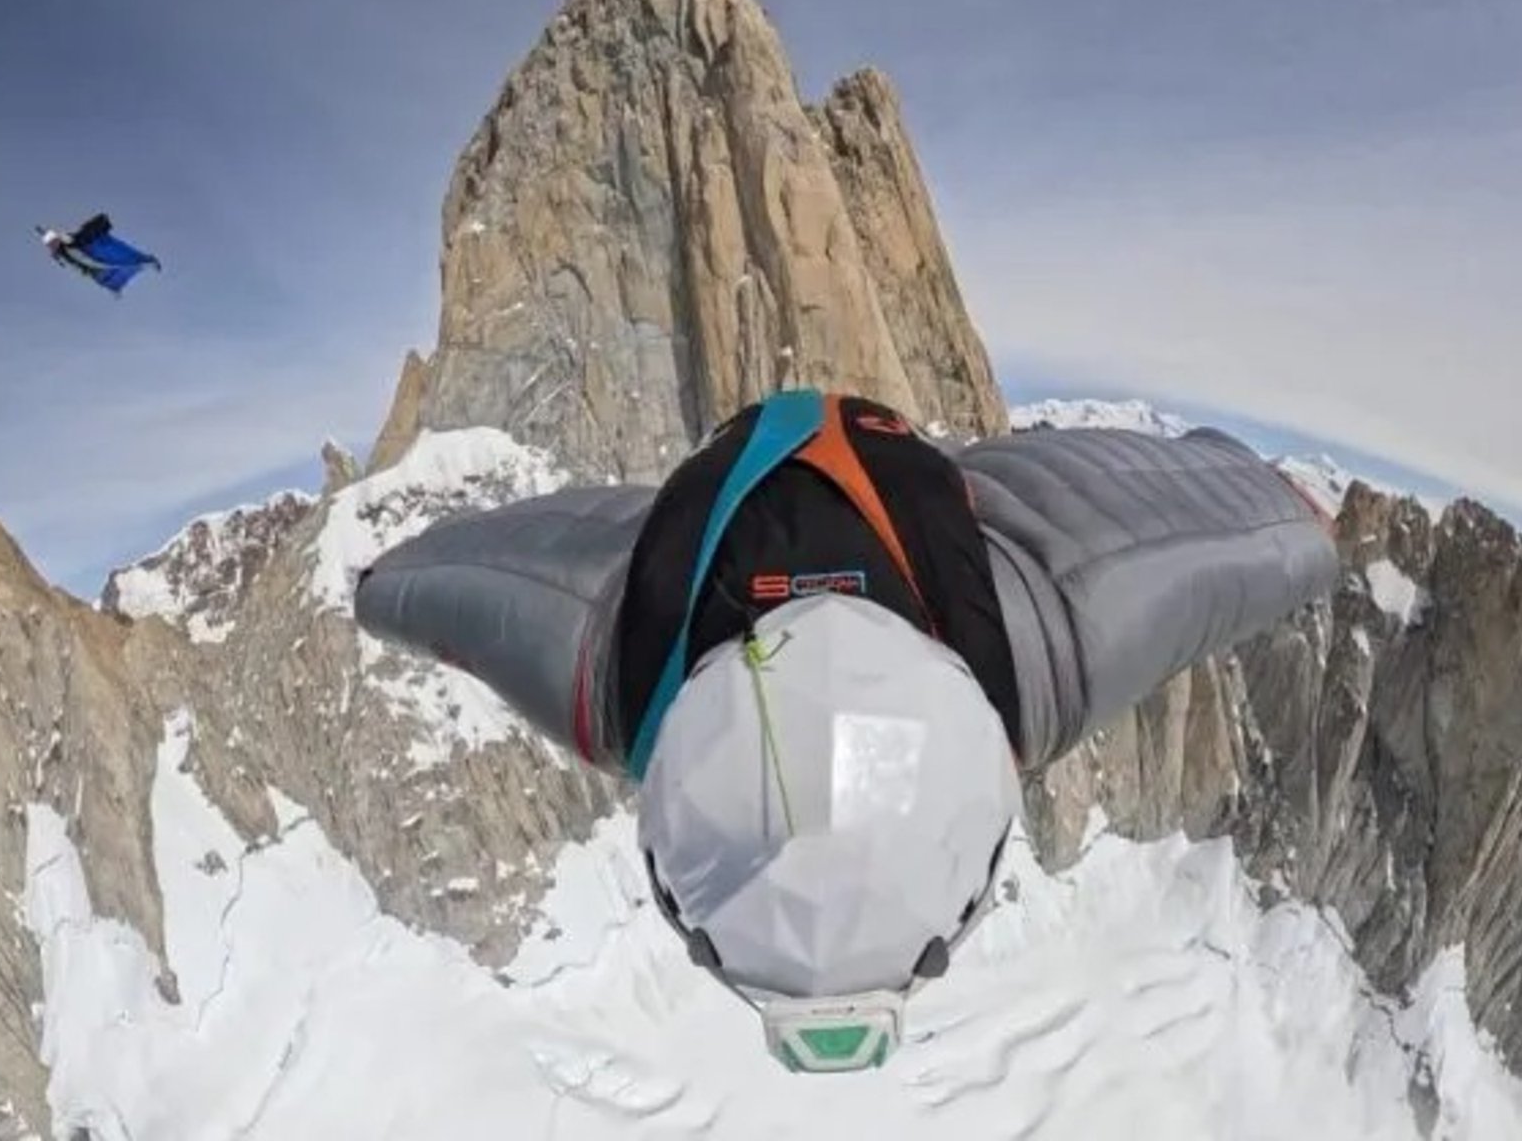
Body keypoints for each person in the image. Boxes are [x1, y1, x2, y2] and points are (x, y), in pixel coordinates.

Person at [353, 388, 1338, 1073]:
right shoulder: (615, 676)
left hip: (922, 515)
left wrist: (1285, 515)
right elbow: (452, 586)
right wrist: (379, 590)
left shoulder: (1042, 652)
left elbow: (1243, 548)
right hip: (798, 500)